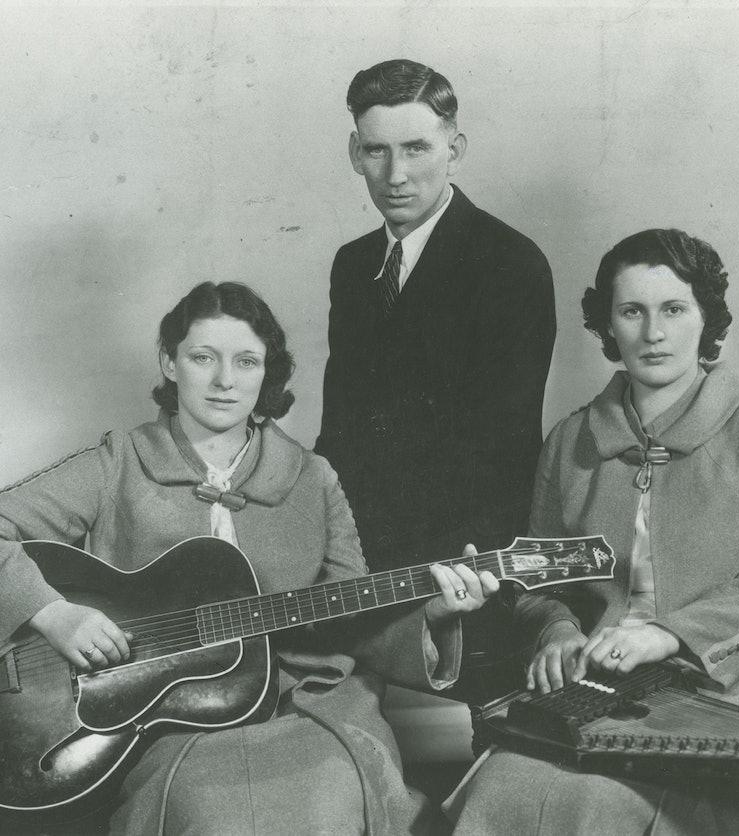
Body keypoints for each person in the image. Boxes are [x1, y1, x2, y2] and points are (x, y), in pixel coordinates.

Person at [0, 281, 498, 835]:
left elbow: (351, 619)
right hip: (169, 722)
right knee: (206, 816)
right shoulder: (118, 462)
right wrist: (53, 612)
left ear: (268, 374)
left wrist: (433, 616)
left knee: (325, 809)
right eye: (202, 358)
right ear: (169, 362)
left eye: (246, 361)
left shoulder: (313, 477)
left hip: (306, 709)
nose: (224, 381)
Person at [444, 229, 739, 835]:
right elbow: (545, 585)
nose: (653, 333)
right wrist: (557, 633)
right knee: (501, 788)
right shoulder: (571, 442)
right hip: (605, 686)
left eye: (674, 309)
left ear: (707, 320)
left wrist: (670, 636)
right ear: (608, 326)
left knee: (605, 803)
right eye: (632, 311)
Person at [315, 59, 556, 691]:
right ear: (354, 152)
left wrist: (393, 586)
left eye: (417, 148)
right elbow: (338, 432)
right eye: (377, 151)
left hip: (465, 562)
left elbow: (500, 457)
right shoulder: (353, 264)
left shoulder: (511, 264)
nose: (396, 175)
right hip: (358, 553)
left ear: (456, 149)